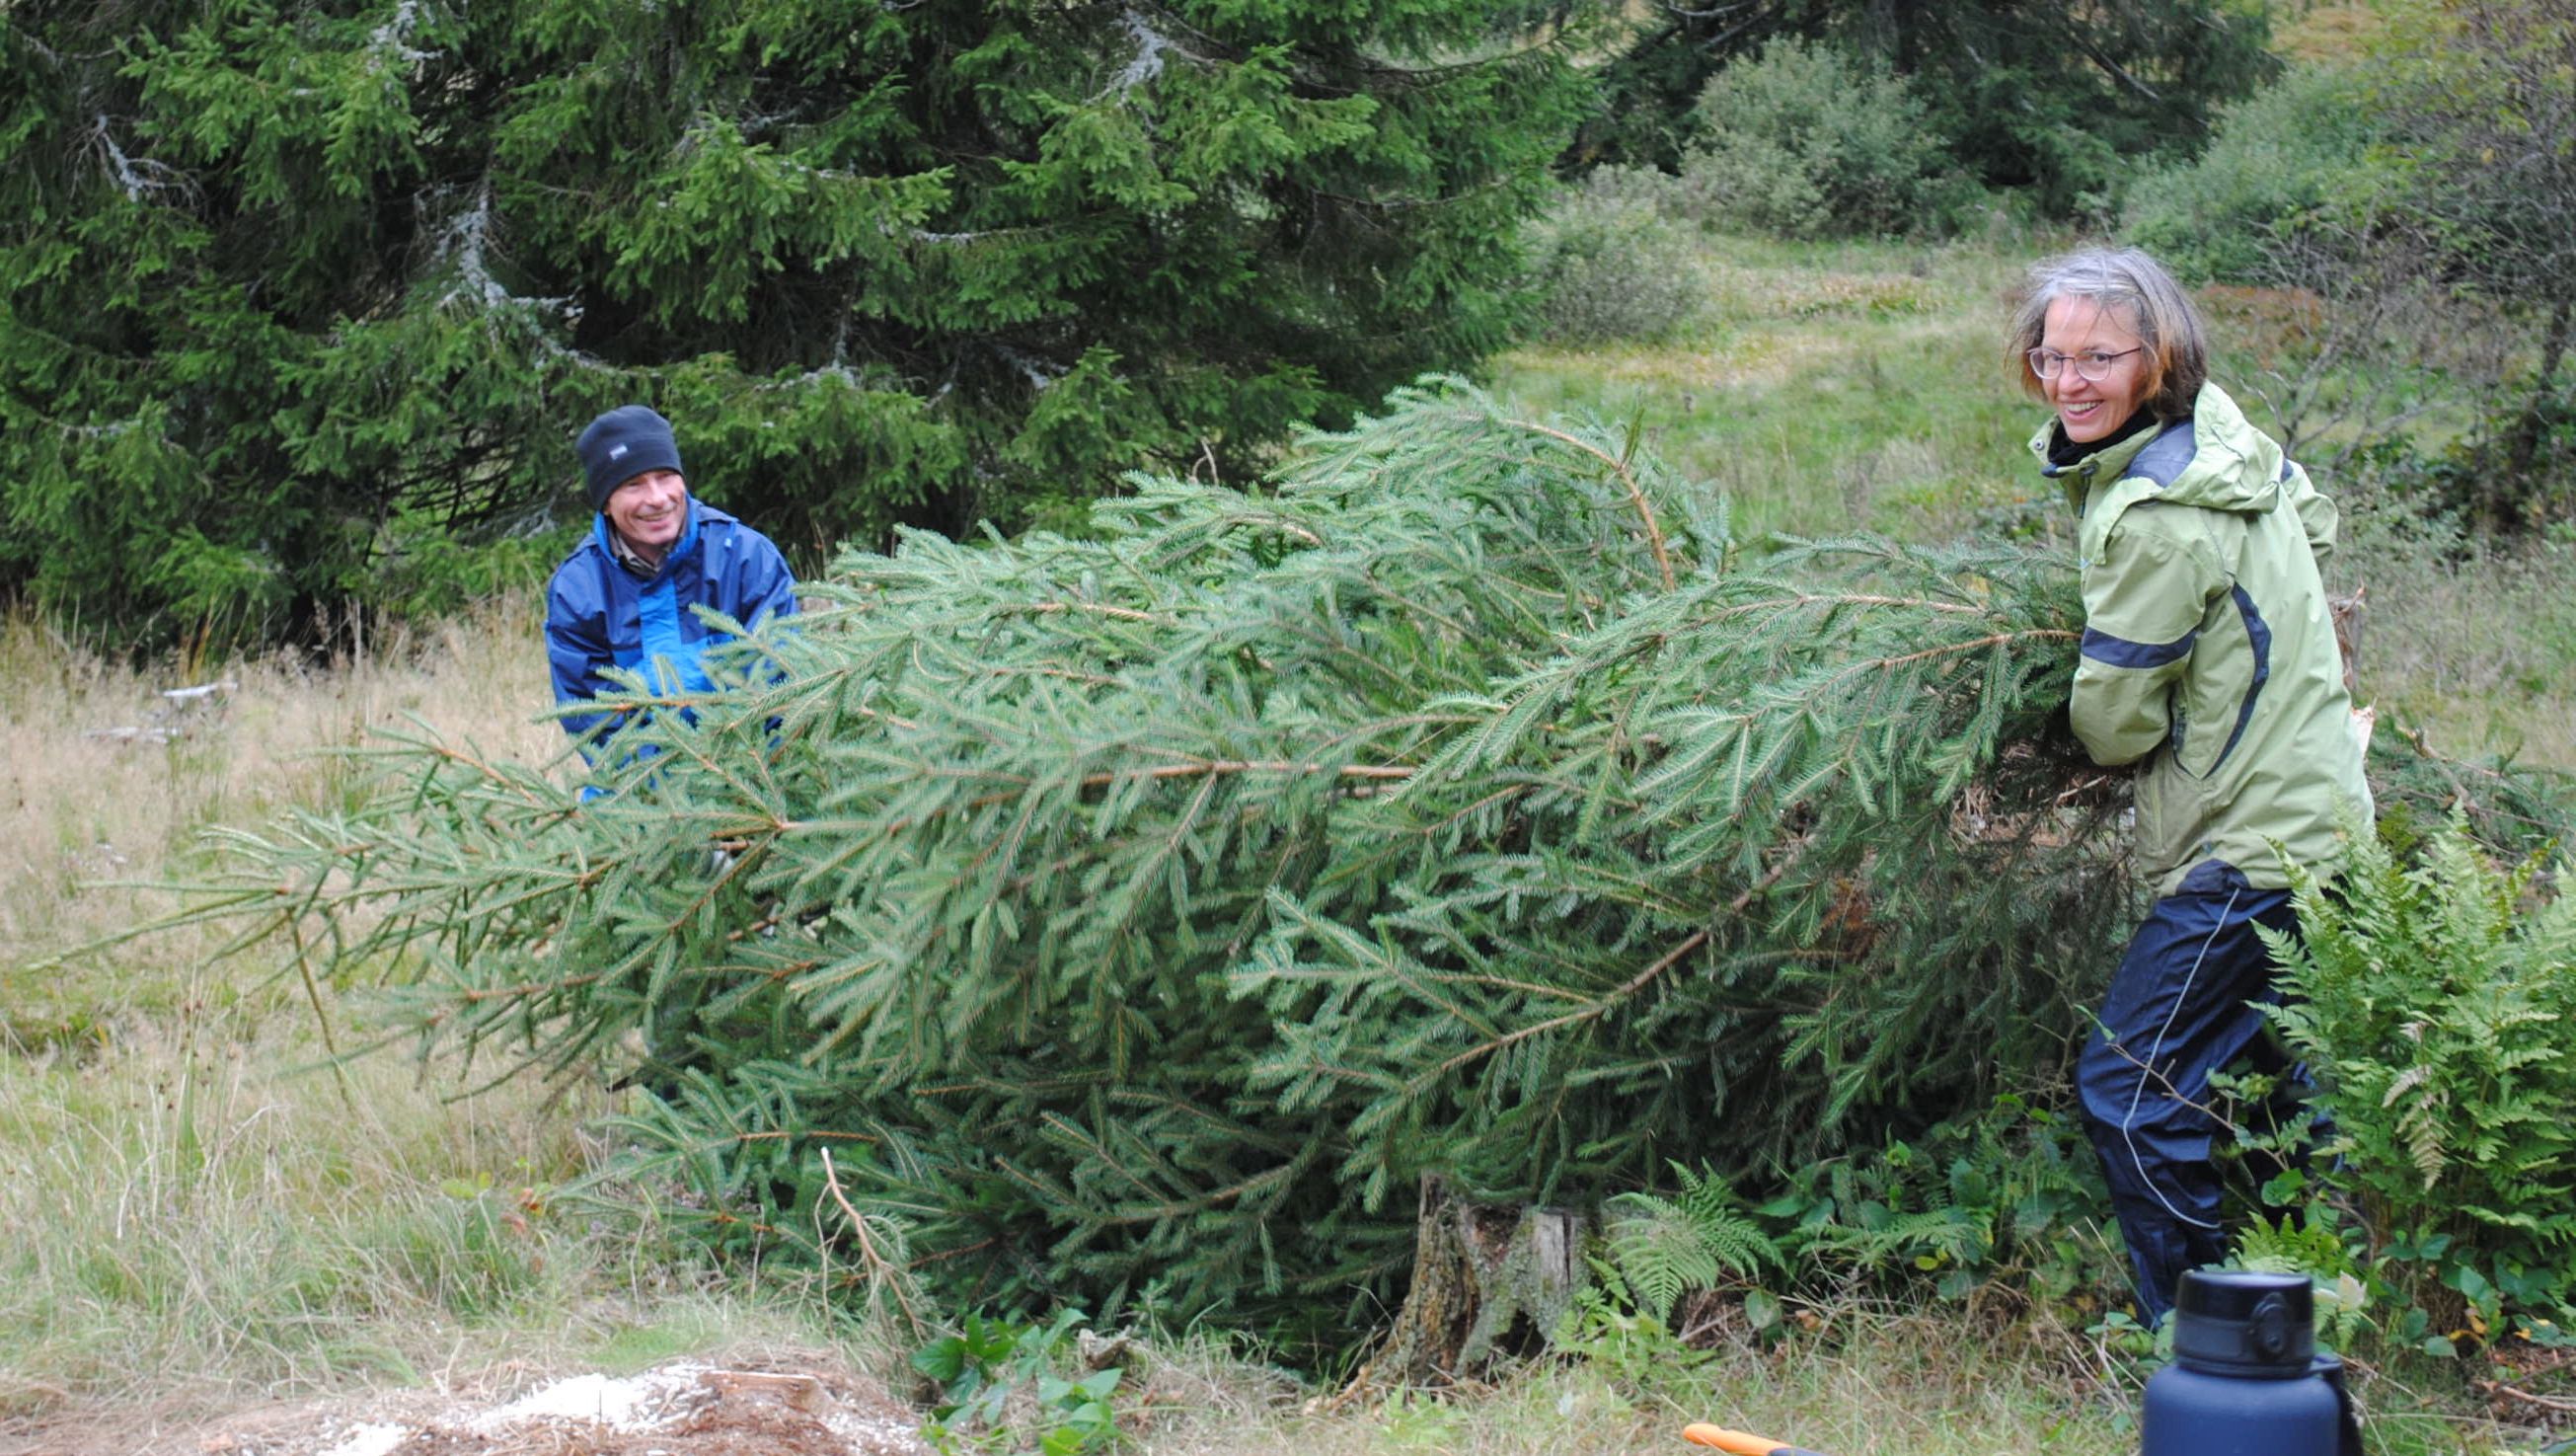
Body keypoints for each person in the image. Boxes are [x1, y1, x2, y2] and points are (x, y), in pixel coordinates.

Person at [2009, 248, 2371, 1328]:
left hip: (2244, 845)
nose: (2069, 380)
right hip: (2323, 815)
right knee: (2282, 1087)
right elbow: (2317, 530)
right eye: (2051, 354)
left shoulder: (2155, 514)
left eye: (2098, 357)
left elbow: (2114, 726)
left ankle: (2204, 1337)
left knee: (2129, 1089)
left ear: (2155, 357)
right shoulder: (2230, 442)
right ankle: (2316, 1314)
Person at [546, 404, 798, 760]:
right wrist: (664, 784)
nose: (657, 498)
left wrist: (732, 768)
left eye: (665, 477)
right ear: (605, 503)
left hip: (756, 771)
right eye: (633, 484)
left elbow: (780, 671)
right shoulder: (578, 588)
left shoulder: (745, 555)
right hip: (641, 789)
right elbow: (590, 715)